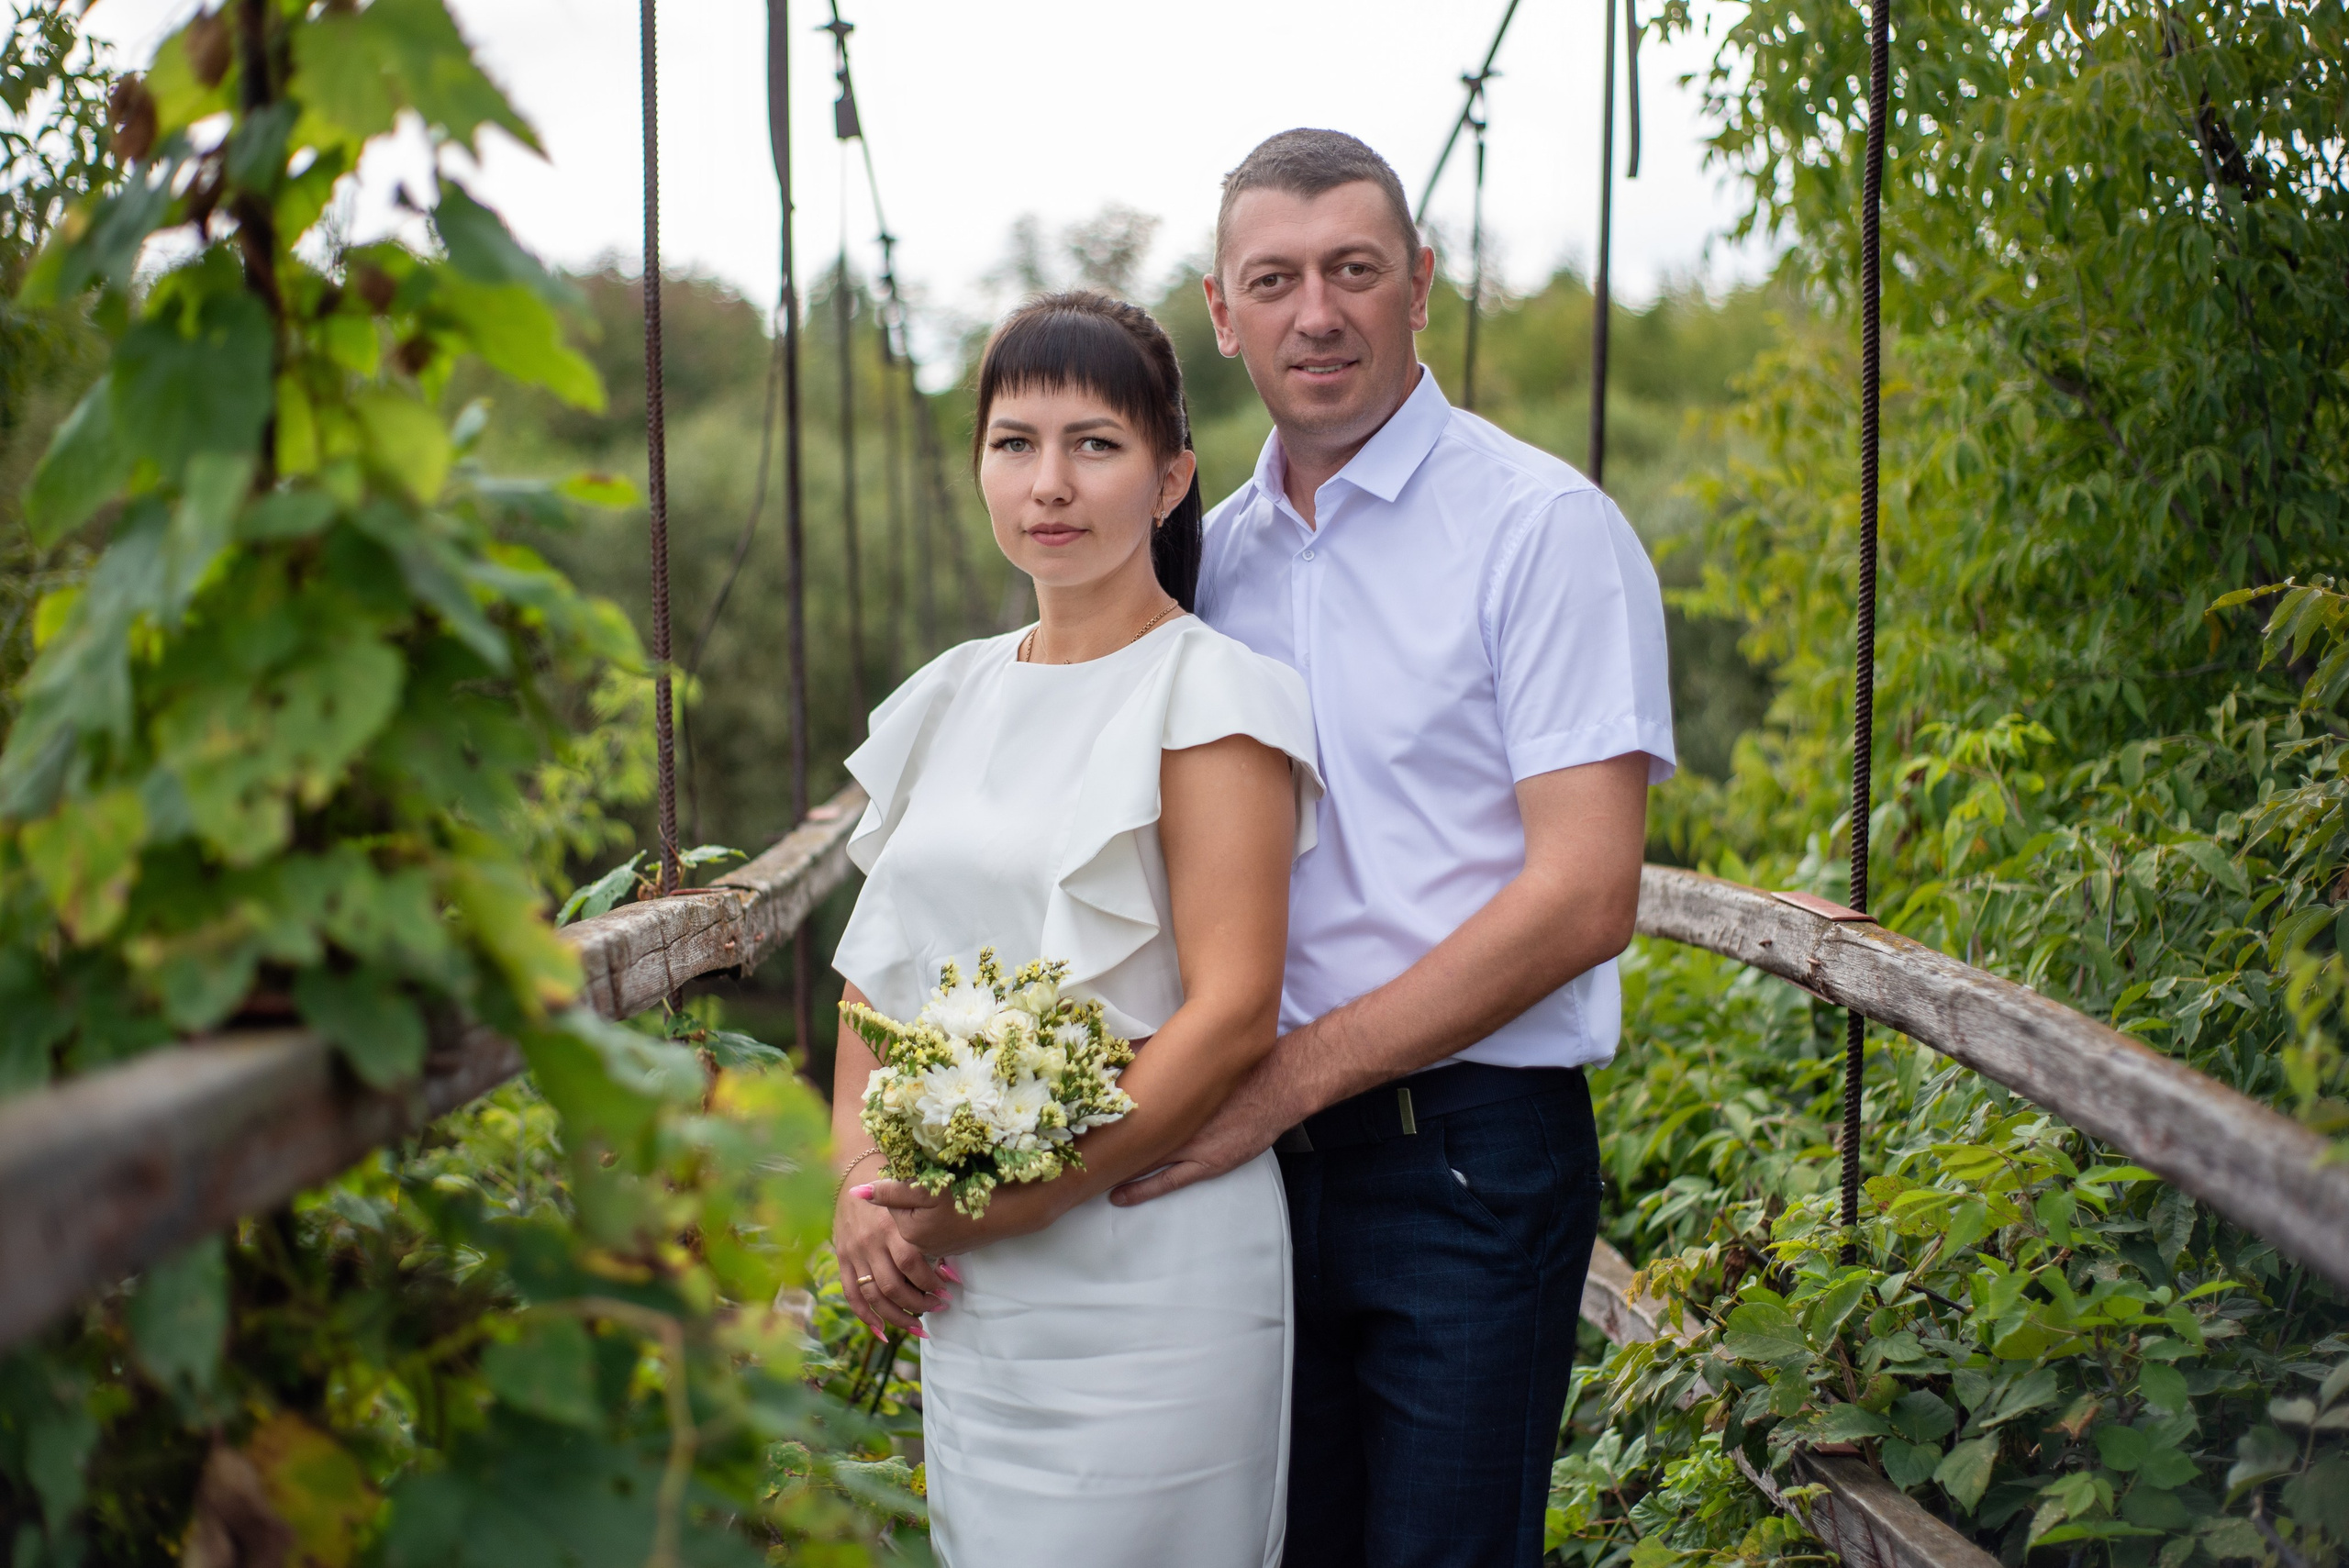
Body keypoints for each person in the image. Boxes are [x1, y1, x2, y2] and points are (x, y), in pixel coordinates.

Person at [1110, 128, 1676, 1568]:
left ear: (1420, 285)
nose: (1319, 312)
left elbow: (1584, 894)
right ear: (1221, 312)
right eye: (1277, 279)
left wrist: (1282, 1080)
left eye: (1356, 270)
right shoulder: (1199, 567)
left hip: (1466, 1162)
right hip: (1248, 1169)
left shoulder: (1541, 530)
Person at [825, 292, 1323, 1568]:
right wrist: (859, 1195)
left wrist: (1015, 1201)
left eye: (1094, 444)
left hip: (1147, 1273)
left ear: (1170, 476)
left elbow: (1231, 1009)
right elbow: (874, 989)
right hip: (974, 1293)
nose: (1050, 482)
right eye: (1014, 442)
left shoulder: (1212, 692)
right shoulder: (948, 693)